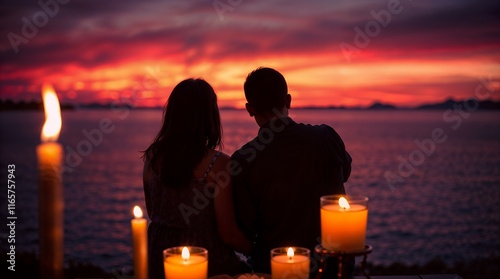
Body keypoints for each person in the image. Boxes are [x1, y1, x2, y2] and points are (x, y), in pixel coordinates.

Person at [231, 67, 353, 276]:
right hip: (333, 265)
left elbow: (245, 228)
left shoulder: (243, 161)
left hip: (274, 268)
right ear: (288, 101)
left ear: (249, 108)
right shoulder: (327, 138)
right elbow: (346, 173)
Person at [142, 78, 251, 278]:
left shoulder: (152, 156)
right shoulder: (219, 165)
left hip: (161, 262)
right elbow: (229, 235)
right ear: (210, 116)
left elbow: (153, 212)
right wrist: (257, 251)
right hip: (206, 262)